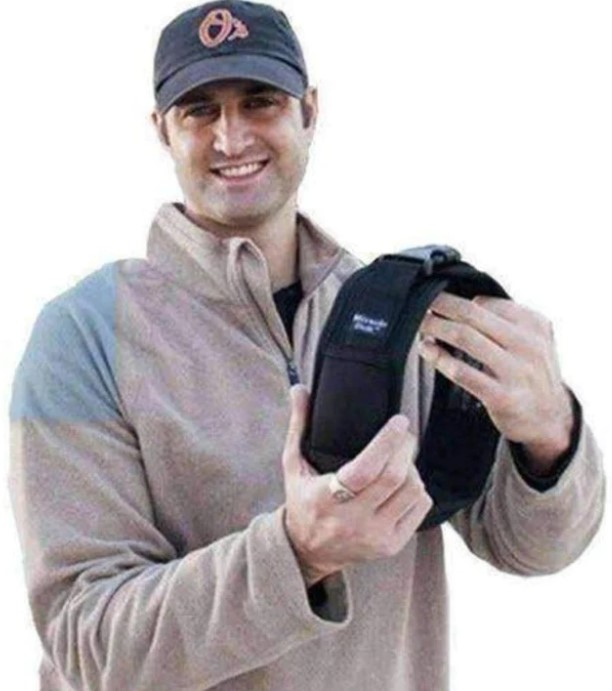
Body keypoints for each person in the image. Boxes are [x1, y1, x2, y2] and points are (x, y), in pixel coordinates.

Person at [7, 1, 605, 690]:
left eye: (259, 101)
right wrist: (297, 554)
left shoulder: (403, 311)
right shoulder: (82, 336)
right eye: (199, 110)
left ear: (309, 112)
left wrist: (549, 435)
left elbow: (531, 548)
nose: (231, 136)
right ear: (162, 131)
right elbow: (89, 645)